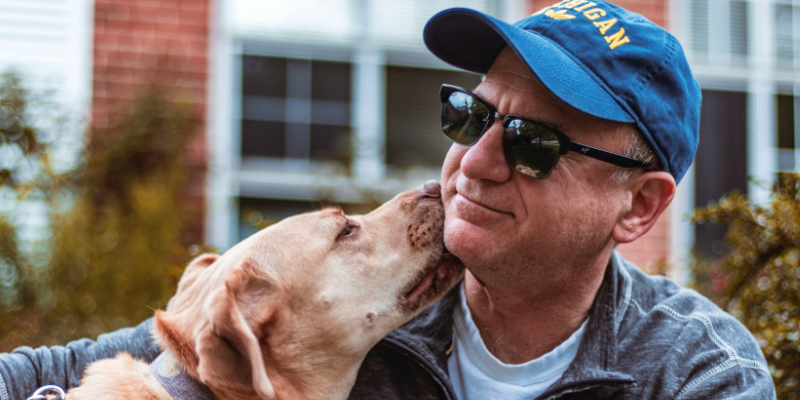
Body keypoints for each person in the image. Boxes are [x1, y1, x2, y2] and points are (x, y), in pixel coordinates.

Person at [0, 1, 776, 399]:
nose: (472, 162)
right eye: (469, 116)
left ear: (638, 207)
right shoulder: (337, 313)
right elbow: (56, 370)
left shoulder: (693, 374)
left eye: (534, 143)